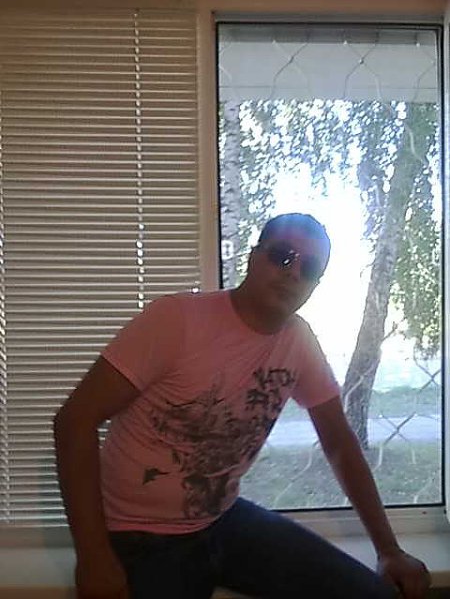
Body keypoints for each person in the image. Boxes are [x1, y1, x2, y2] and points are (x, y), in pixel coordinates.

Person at [54, 212, 431, 599]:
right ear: (253, 257)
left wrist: (389, 550)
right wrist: (93, 556)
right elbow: (74, 421)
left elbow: (339, 442)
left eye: (309, 268)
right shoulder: (175, 320)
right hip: (137, 536)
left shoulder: (298, 341)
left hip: (223, 520)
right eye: (282, 256)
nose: (293, 273)